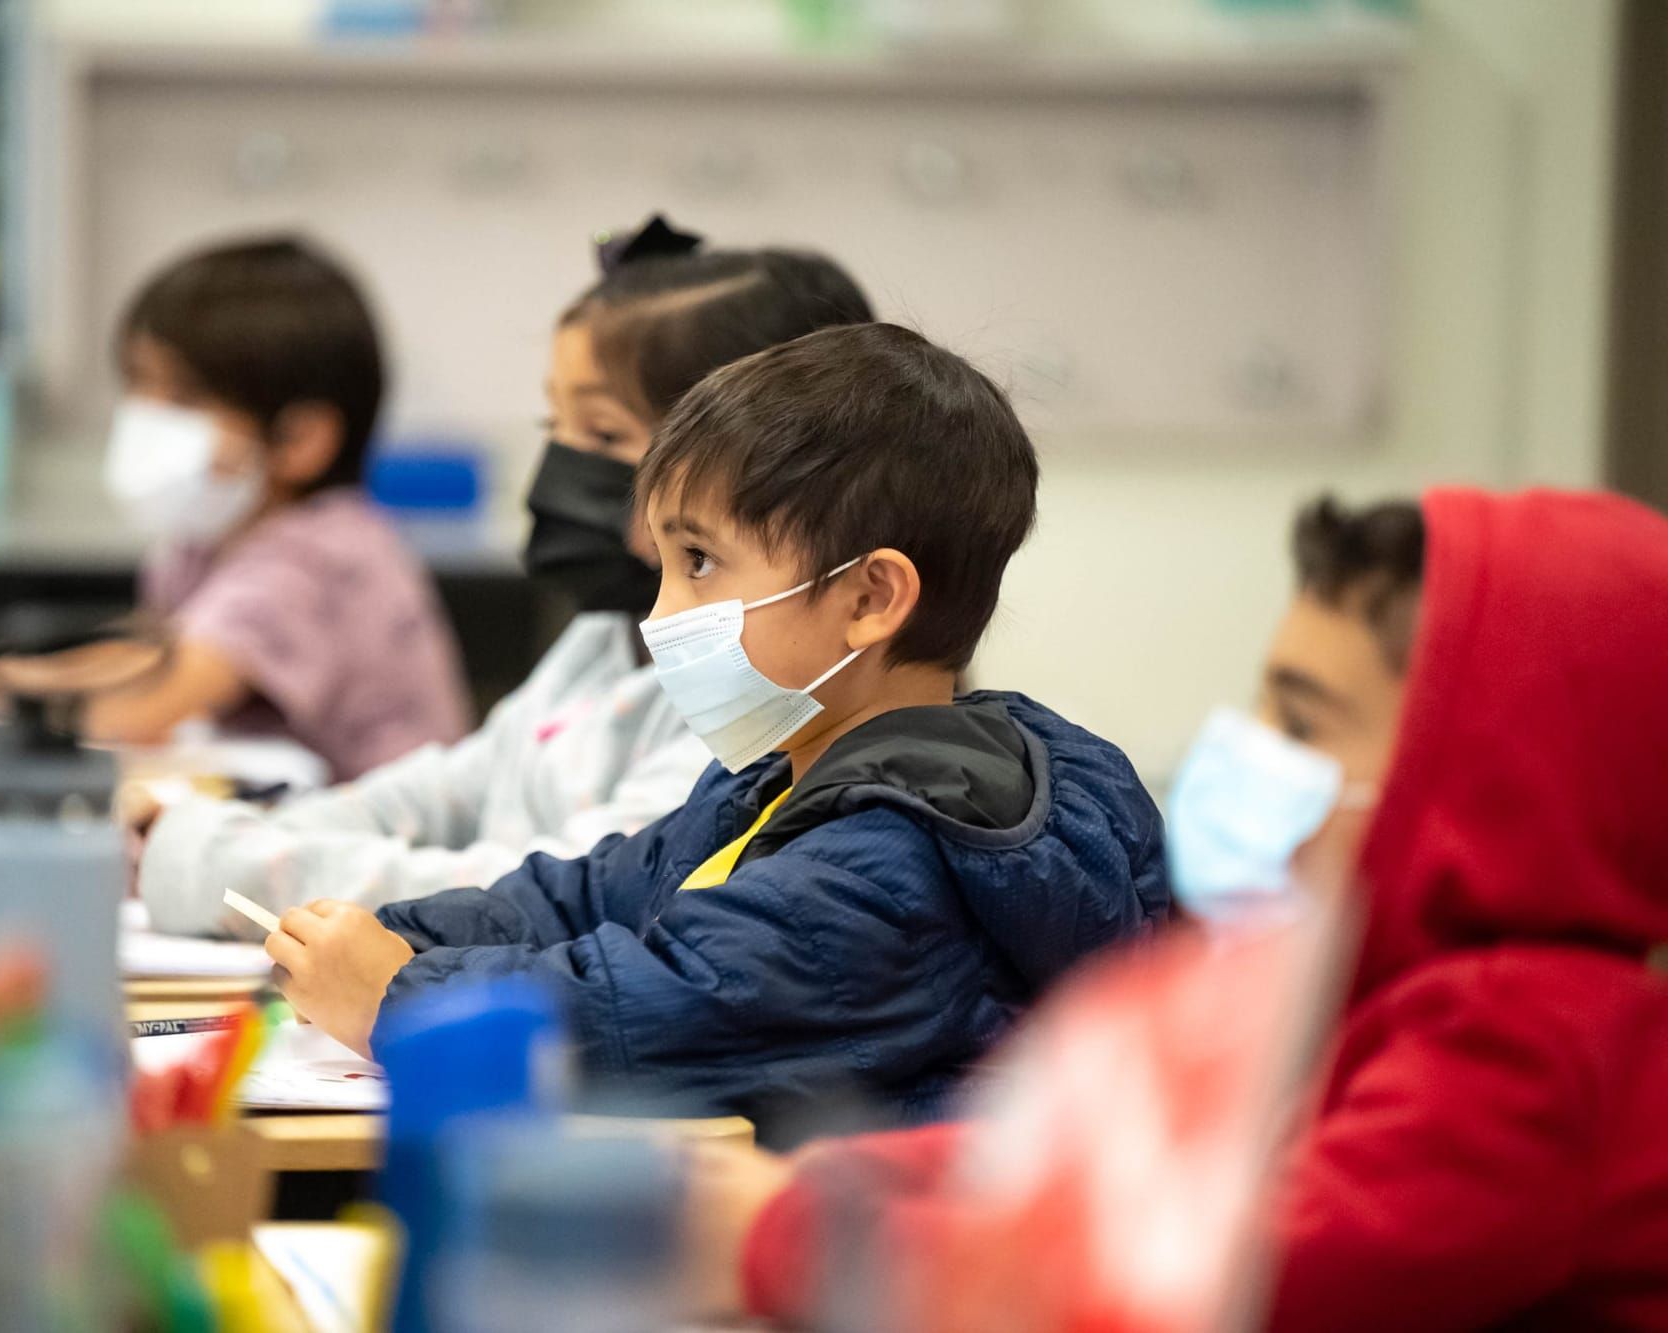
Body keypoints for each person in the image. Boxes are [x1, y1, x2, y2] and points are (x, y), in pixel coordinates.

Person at [711, 488, 1668, 1329]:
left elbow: (1190, 1285)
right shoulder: (1340, 987)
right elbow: (1081, 1150)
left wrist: (784, 1232)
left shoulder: (1530, 1040)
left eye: (1302, 722)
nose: (1250, 747)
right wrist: (834, 1180)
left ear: (1494, 782)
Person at [259, 322, 1171, 1135]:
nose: (662, 615)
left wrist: (396, 995)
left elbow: (645, 1016)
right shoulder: (778, 778)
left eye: (700, 562)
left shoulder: (901, 863)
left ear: (870, 598)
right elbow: (586, 897)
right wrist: (388, 934)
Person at [138, 218, 876, 935]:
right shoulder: (600, 644)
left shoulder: (749, 703)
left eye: (605, 435)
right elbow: (445, 790)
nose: (561, 465)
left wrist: (223, 864)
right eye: (553, 429)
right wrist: (227, 835)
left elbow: (556, 896)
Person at [0, 236, 471, 778]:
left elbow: (146, 703)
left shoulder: (316, 559)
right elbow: (153, 654)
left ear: (300, 441)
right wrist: (18, 674)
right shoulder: (206, 542)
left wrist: (9, 690)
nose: (144, 417)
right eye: (137, 385)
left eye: (182, 399)